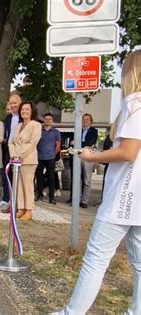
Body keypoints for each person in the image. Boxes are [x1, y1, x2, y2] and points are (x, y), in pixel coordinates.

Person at [53, 49, 141, 315]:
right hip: (136, 198)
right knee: (138, 262)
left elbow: (128, 152)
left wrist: (94, 155)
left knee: (95, 259)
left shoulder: (135, 104)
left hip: (124, 196)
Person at [8, 101, 41, 221]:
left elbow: (32, 143)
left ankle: (29, 210)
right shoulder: (18, 126)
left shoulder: (36, 125)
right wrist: (13, 155)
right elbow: (11, 142)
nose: (24, 111)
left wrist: (19, 154)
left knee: (27, 185)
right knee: (19, 185)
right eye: (22, 109)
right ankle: (21, 208)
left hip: (28, 160)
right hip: (16, 160)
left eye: (27, 109)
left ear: (32, 111)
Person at [0, 93, 22, 212]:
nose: (13, 105)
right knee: (7, 174)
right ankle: (9, 200)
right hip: (8, 149)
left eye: (15, 103)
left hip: (21, 150)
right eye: (11, 103)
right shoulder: (8, 118)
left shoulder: (24, 117)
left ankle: (19, 203)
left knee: (19, 176)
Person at [35, 113, 61, 205]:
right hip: (39, 157)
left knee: (51, 178)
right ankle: (39, 196)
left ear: (52, 121)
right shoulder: (39, 131)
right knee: (39, 177)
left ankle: (52, 198)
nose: (48, 121)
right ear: (44, 120)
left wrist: (54, 154)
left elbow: (58, 144)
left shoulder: (56, 132)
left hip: (51, 157)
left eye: (49, 119)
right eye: (46, 119)